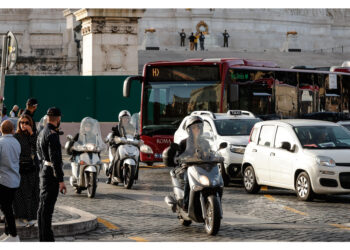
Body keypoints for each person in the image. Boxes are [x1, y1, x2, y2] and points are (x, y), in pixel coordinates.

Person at [36, 107, 66, 242]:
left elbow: (39, 153)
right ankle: (47, 239)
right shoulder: (52, 134)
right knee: (47, 210)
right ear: (58, 119)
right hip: (51, 175)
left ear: (47, 118)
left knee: (42, 208)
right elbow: (56, 160)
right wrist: (61, 180)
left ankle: (42, 237)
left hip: (44, 171)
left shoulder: (42, 132)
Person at [173, 116, 210, 212]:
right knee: (188, 180)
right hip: (188, 168)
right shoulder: (184, 143)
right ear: (189, 130)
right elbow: (178, 157)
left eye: (199, 127)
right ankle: (186, 204)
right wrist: (183, 158)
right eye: (194, 127)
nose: (197, 129)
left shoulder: (205, 142)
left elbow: (211, 153)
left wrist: (212, 155)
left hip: (203, 168)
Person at [13, 114, 39, 227]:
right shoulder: (16, 136)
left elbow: (37, 147)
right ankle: (21, 216)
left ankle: (31, 217)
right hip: (21, 168)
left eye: (26, 123)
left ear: (30, 124)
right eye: (22, 123)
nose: (24, 125)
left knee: (33, 194)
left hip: (32, 168)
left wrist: (32, 133)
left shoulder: (33, 135)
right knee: (21, 194)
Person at [0, 120, 21, 242]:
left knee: (6, 209)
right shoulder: (16, 142)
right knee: (7, 207)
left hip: (4, 180)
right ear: (12, 130)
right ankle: (8, 233)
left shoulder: (1, 142)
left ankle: (13, 235)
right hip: (14, 180)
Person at [106, 110, 133, 184]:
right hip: (116, 146)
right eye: (123, 118)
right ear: (120, 119)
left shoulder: (132, 128)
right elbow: (112, 135)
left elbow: (136, 135)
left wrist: (139, 139)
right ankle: (110, 175)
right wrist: (112, 139)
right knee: (115, 158)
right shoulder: (116, 128)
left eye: (127, 118)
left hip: (127, 145)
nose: (125, 119)